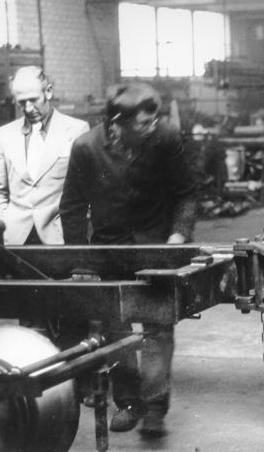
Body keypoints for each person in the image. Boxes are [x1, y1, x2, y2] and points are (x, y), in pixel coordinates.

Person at [60, 82, 196, 435]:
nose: (152, 127)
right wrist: (80, 262)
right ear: (117, 123)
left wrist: (178, 235)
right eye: (143, 124)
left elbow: (186, 193)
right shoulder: (86, 148)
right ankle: (129, 401)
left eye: (154, 121)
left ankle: (153, 407)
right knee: (116, 330)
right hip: (108, 251)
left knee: (157, 330)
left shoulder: (164, 140)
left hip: (156, 249)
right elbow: (72, 209)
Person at [0, 66, 89, 244]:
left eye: (33, 100)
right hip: (15, 239)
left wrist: (76, 225)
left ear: (48, 92)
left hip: (61, 237)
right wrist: (6, 219)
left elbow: (88, 188)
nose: (28, 108)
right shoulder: (5, 135)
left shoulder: (76, 130)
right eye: (21, 102)